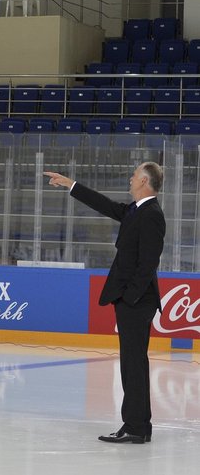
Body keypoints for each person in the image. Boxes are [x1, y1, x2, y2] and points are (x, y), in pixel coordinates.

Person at [45, 164, 165, 444]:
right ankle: (139, 425)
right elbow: (106, 205)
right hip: (132, 300)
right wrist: (70, 184)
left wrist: (129, 297)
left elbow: (149, 263)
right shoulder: (137, 210)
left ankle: (135, 426)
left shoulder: (152, 215)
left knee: (132, 365)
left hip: (136, 301)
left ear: (144, 181)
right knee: (133, 364)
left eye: (134, 175)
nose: (130, 178)